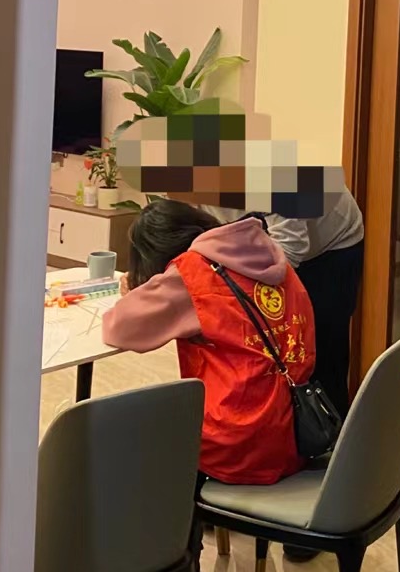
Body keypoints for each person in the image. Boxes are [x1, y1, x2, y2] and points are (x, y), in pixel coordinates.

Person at [102, 200, 316, 486]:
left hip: (238, 446)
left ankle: (180, 509)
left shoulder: (193, 271)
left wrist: (137, 291)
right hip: (296, 430)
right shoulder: (269, 253)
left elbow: (118, 328)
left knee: (132, 429)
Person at [208, 185, 364, 419]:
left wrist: (246, 297)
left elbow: (290, 248)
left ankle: (332, 431)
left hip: (329, 246)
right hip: (260, 239)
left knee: (318, 353)